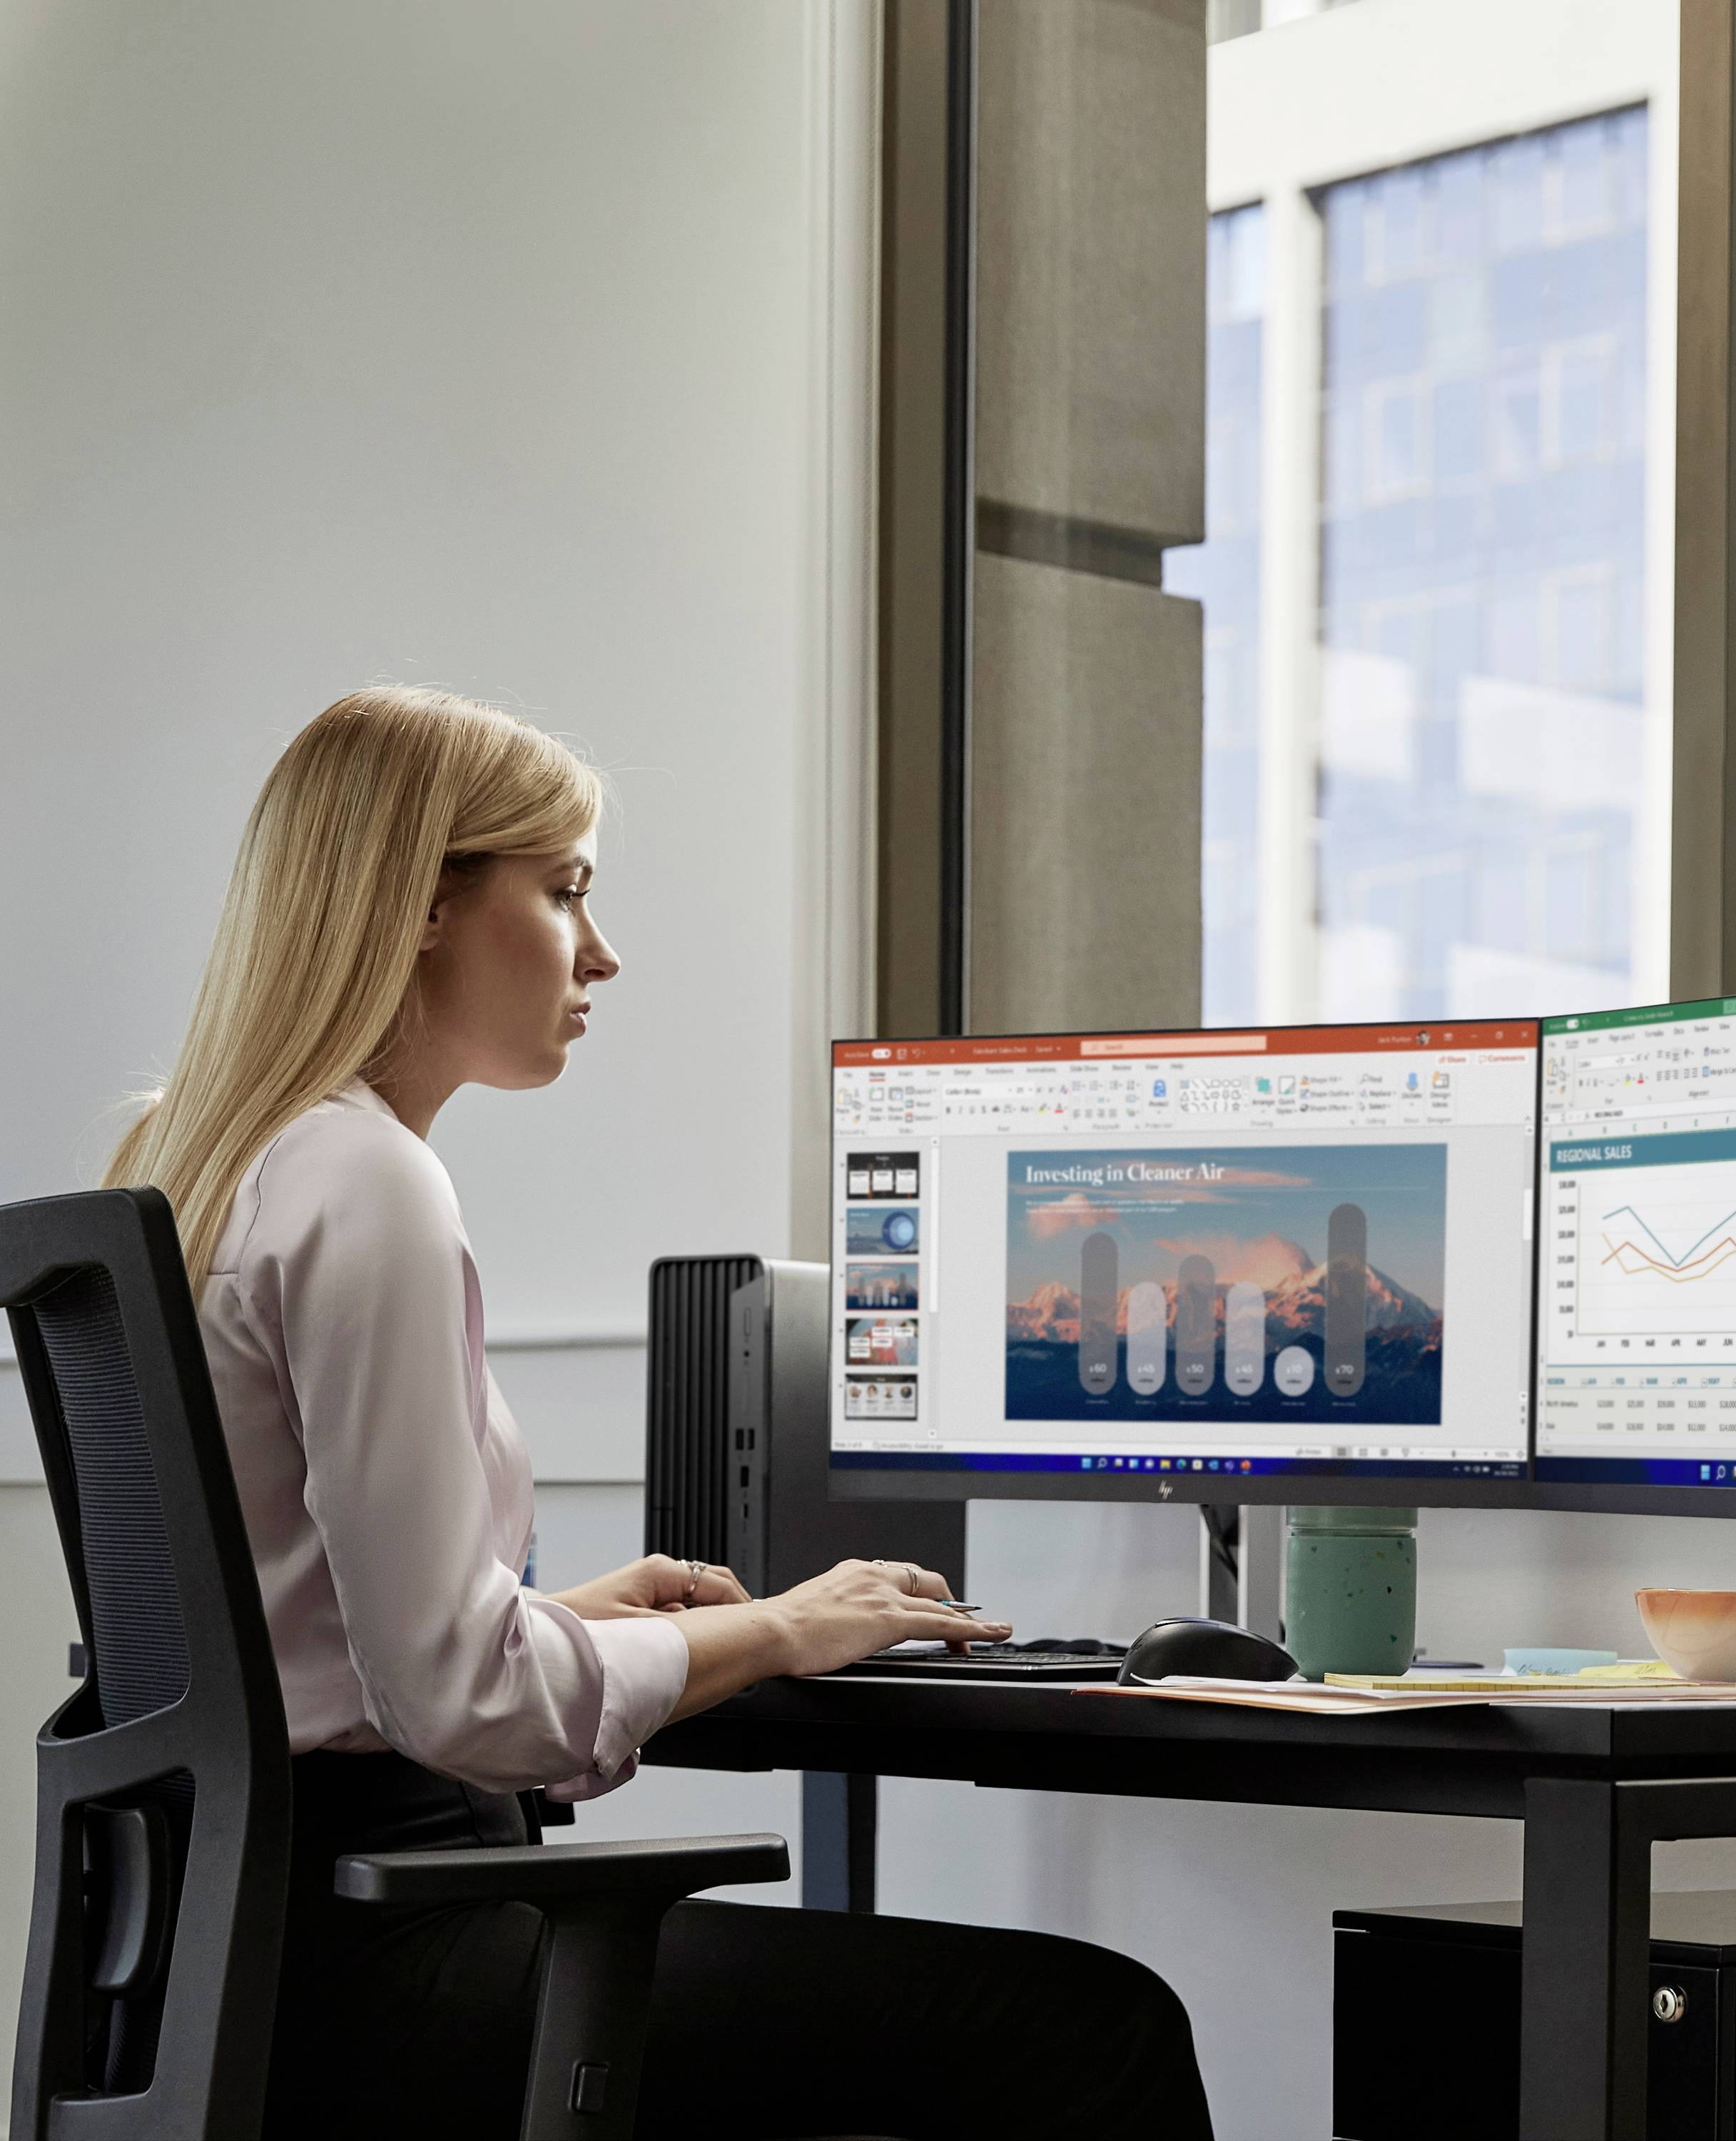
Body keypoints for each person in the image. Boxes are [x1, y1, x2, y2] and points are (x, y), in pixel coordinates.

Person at [104, 687, 1214, 2140]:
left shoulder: (203, 1154)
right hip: (399, 1951)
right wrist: (779, 1628)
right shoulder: (366, 1182)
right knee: (1096, 2028)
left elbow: (297, 1647)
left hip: (224, 1949)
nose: (604, 952)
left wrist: (583, 1618)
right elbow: (459, 1701)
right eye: (565, 892)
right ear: (421, 906)